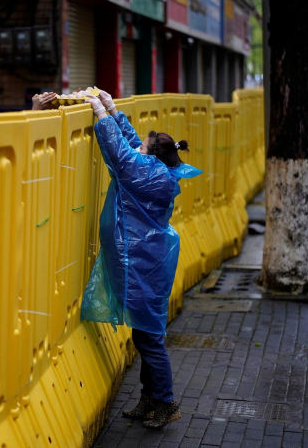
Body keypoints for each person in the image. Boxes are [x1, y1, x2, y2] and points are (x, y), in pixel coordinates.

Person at [81, 90, 202, 429]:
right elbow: (134, 143)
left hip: (141, 266)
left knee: (149, 338)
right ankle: (150, 398)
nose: (139, 147)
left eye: (145, 148)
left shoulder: (147, 175)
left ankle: (165, 402)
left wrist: (99, 115)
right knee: (145, 333)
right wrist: (113, 109)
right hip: (146, 265)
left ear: (151, 158)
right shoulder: (157, 170)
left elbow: (121, 154)